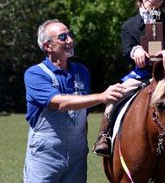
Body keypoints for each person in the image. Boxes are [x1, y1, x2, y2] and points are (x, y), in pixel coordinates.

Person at [92, 0, 165, 157]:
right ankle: (104, 135)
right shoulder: (128, 26)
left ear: (163, 2)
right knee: (115, 96)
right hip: (141, 76)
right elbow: (126, 51)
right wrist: (135, 51)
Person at [23, 19, 125, 183]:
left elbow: (83, 115)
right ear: (47, 46)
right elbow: (60, 103)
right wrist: (102, 97)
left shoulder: (82, 72)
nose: (70, 40)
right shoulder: (34, 74)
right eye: (63, 37)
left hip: (77, 157)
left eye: (70, 35)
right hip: (44, 156)